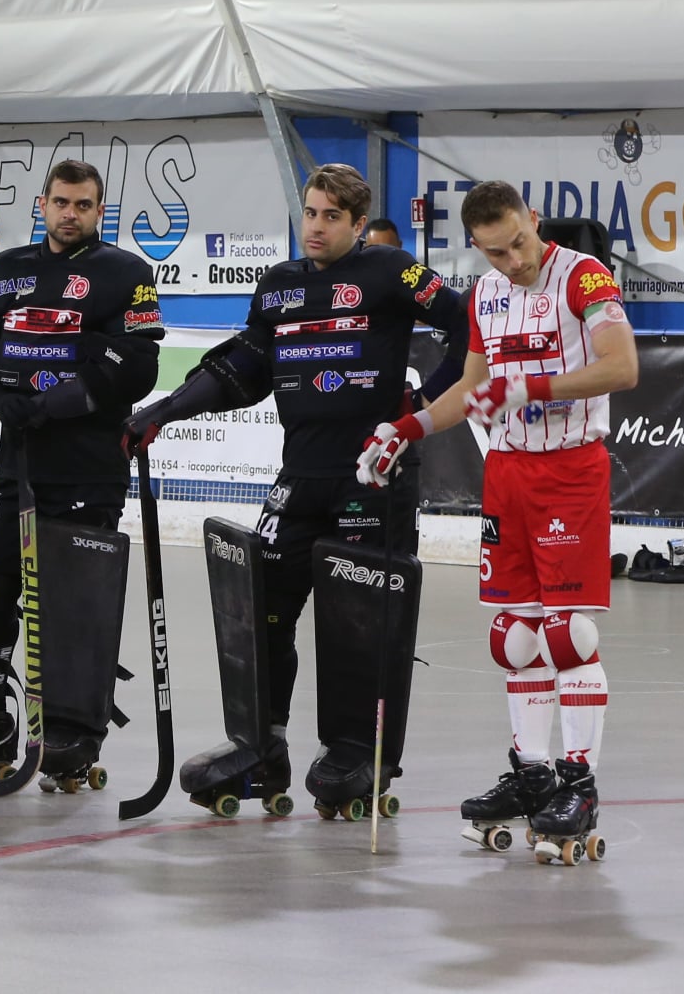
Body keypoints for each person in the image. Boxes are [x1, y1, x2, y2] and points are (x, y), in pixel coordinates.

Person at [123, 163, 468, 811]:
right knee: (261, 610)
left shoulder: (391, 271)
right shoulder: (278, 286)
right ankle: (262, 748)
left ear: (358, 224)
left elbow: (467, 325)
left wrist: (421, 402)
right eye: (310, 212)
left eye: (331, 216)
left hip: (373, 477)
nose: (316, 226)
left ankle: (357, 751)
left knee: (357, 622)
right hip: (299, 476)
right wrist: (164, 411)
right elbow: (242, 366)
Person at [356, 180, 636, 856]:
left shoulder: (584, 277)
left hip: (570, 470)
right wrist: (406, 428)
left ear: (533, 221)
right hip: (507, 472)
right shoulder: (484, 294)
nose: (512, 260)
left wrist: (530, 387)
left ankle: (579, 782)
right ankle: (532, 776)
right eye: (494, 252)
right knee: (515, 635)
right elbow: (471, 387)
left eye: (517, 243)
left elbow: (621, 366)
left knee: (567, 633)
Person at [0, 158, 163, 779]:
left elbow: (136, 365)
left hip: (87, 469)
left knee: (71, 603)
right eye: (61, 202)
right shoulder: (5, 271)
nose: (70, 214)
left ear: (99, 212)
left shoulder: (126, 274)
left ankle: (74, 732)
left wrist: (54, 404)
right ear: (42, 204)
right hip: (14, 466)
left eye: (83, 205)